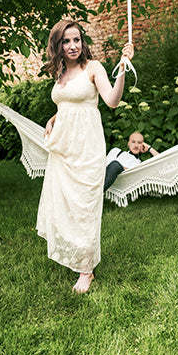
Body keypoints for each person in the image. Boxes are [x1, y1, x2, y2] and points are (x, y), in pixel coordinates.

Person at [36, 19, 133, 294]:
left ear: (83, 42)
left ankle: (86, 270)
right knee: (65, 205)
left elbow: (111, 101)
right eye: (66, 41)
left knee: (86, 206)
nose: (73, 45)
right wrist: (53, 119)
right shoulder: (60, 74)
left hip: (87, 148)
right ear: (58, 45)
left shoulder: (93, 68)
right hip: (63, 149)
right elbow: (67, 104)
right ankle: (74, 253)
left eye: (77, 39)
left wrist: (122, 68)